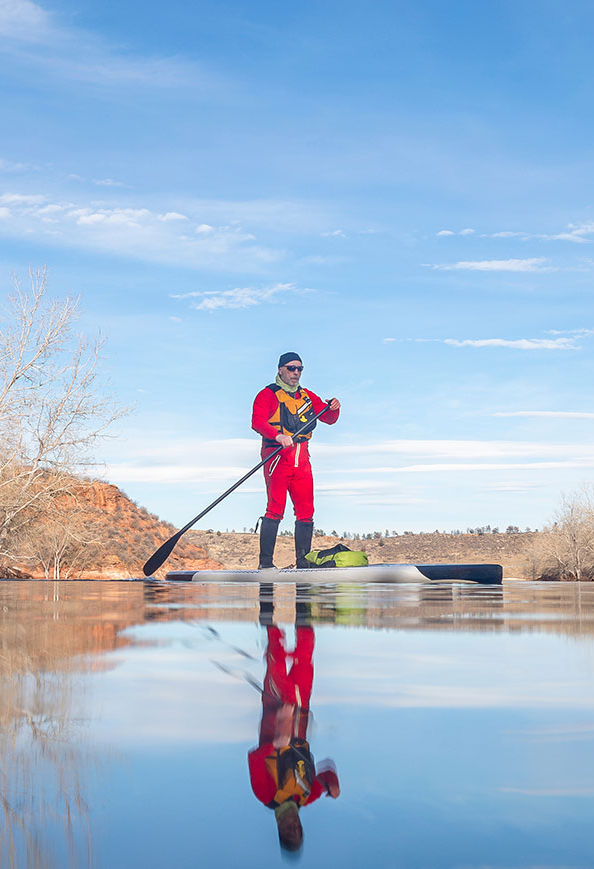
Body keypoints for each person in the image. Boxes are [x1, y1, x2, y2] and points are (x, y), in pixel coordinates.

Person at [249, 584, 340, 853]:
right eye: (298, 830)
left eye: (290, 832)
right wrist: (333, 787)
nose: (294, 827)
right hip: (299, 711)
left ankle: (266, 596)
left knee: (275, 650)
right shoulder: (306, 796)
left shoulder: (265, 795)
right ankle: (304, 597)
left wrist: (278, 738)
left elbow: (255, 758)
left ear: (279, 829)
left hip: (275, 709)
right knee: (306, 648)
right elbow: (327, 772)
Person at [251, 352, 340, 569]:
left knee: (306, 510)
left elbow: (329, 419)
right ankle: (265, 564)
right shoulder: (267, 395)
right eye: (291, 368)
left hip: (302, 460)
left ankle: (303, 562)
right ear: (280, 369)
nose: (296, 373)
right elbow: (257, 422)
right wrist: (277, 435)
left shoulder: (307, 396)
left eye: (300, 369)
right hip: (277, 458)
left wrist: (335, 407)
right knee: (275, 508)